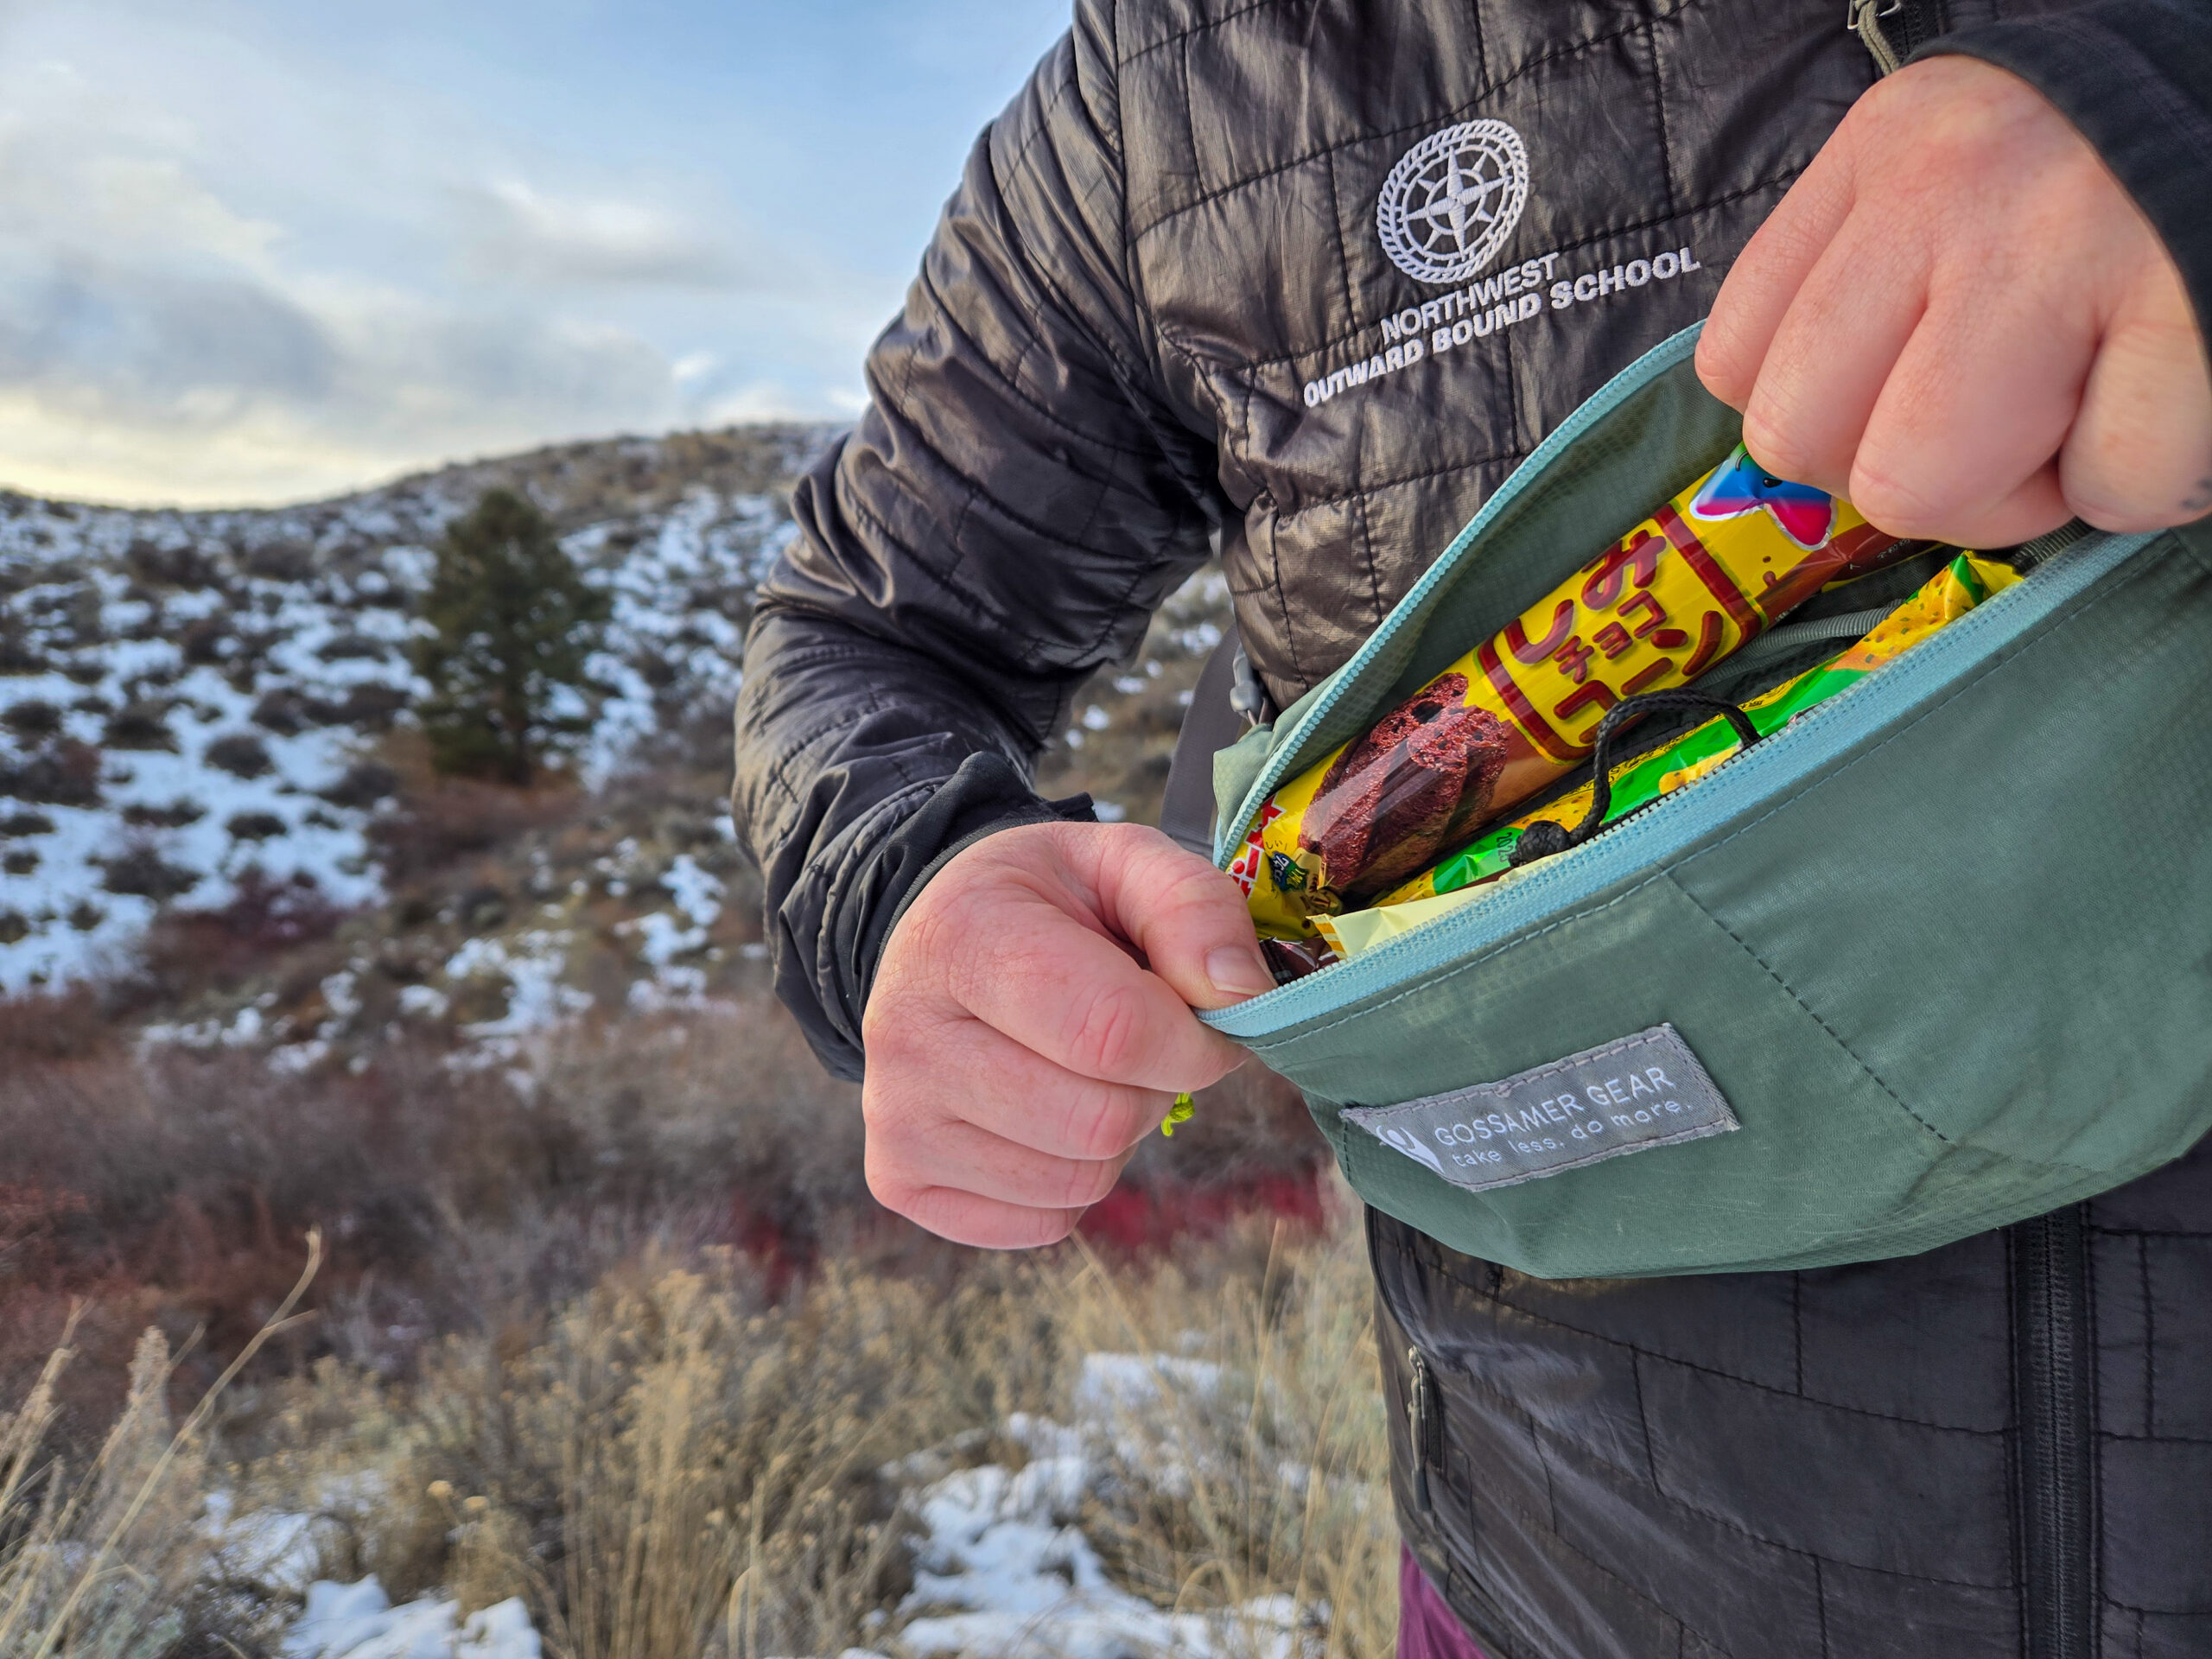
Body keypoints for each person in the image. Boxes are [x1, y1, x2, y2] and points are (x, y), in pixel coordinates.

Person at [732, 1, 2212, 1651]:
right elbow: (869, 635)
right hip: (1548, 1583)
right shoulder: (1160, 90)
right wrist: (909, 889)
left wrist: (2165, 112)